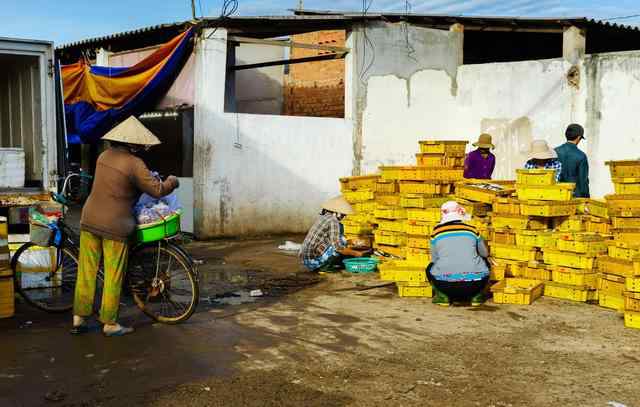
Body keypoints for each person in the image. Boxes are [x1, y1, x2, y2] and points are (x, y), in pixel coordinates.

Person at [71, 116, 179, 337]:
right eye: (139, 145)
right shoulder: (134, 163)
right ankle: (109, 324)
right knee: (113, 273)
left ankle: (78, 318)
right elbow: (157, 190)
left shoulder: (103, 156)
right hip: (115, 225)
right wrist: (172, 182)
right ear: (132, 144)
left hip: (89, 219)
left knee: (86, 270)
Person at [427, 201, 490, 307]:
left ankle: (442, 297)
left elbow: (434, 259)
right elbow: (484, 253)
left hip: (445, 285)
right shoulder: (472, 230)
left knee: (429, 268)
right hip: (475, 285)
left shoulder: (436, 232)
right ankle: (476, 296)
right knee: (485, 262)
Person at [300, 196, 368, 272]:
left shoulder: (325, 217)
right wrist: (356, 253)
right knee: (340, 242)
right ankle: (324, 266)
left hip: (306, 258)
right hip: (312, 261)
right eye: (343, 214)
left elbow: (332, 239)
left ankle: (330, 262)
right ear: (337, 212)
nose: (344, 217)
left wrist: (350, 242)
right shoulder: (333, 221)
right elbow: (338, 247)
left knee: (342, 240)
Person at [555, 124, 590, 197]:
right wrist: (587, 199)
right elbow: (583, 182)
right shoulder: (581, 156)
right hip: (574, 196)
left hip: (557, 195)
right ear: (579, 137)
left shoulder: (554, 152)